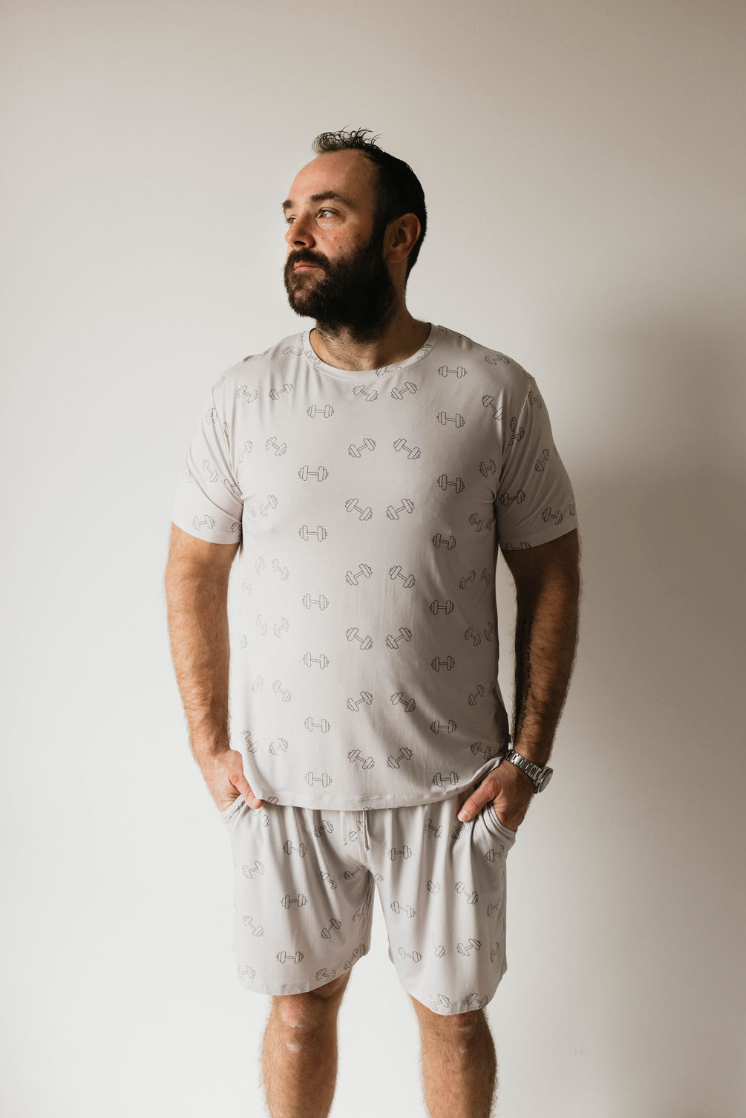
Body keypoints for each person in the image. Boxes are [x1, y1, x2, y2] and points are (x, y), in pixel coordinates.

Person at [164, 127, 581, 1118]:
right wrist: (208, 743)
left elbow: (551, 570)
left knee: (453, 1021)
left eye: (327, 213)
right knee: (299, 1014)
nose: (296, 235)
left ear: (400, 236)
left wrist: (527, 759)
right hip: (282, 789)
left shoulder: (491, 393)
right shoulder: (244, 396)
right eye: (290, 216)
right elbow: (192, 566)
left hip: (451, 791)